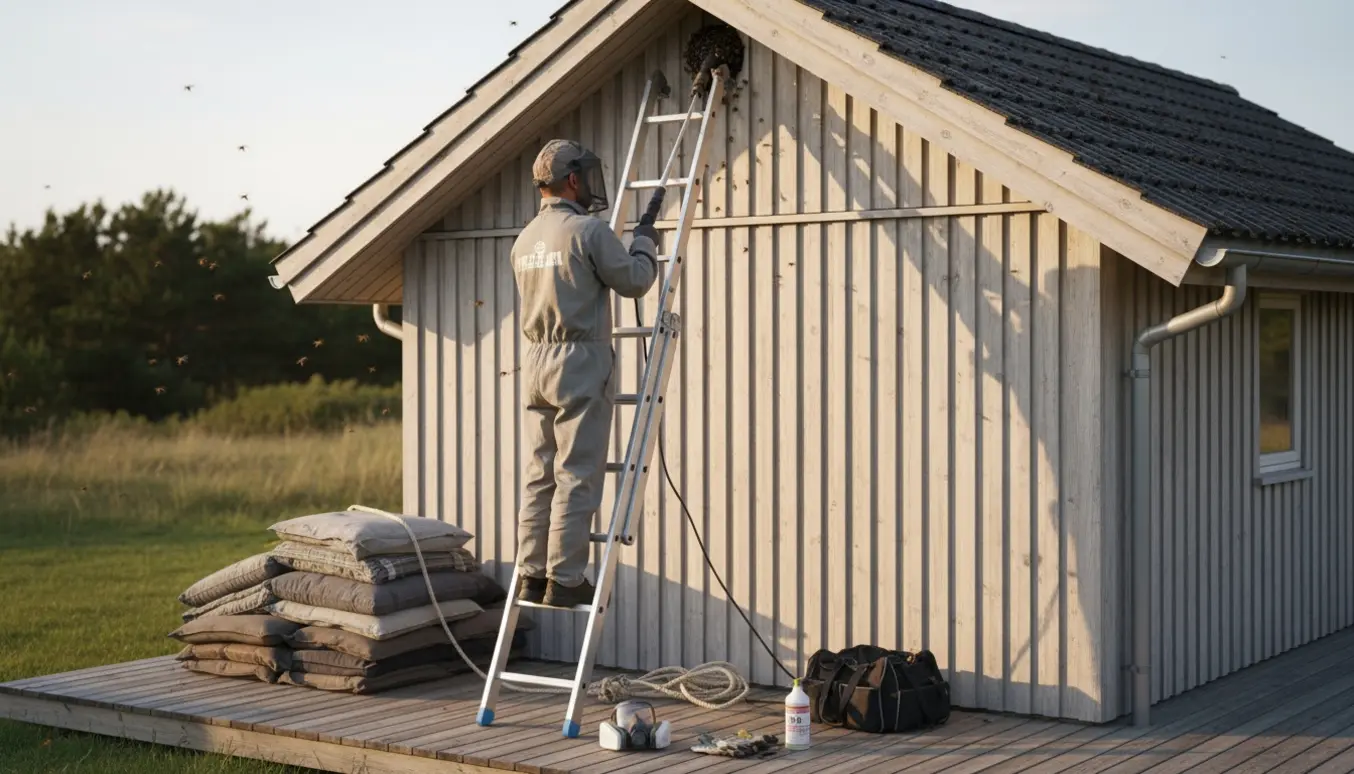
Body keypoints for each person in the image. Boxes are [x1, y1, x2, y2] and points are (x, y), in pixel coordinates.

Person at [510, 139, 661, 609]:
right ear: (572, 179)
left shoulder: (525, 239)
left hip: (534, 361)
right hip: (577, 360)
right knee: (576, 472)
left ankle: (531, 574)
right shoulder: (586, 231)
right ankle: (567, 577)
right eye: (586, 177)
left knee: (540, 474)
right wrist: (644, 243)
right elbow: (634, 280)